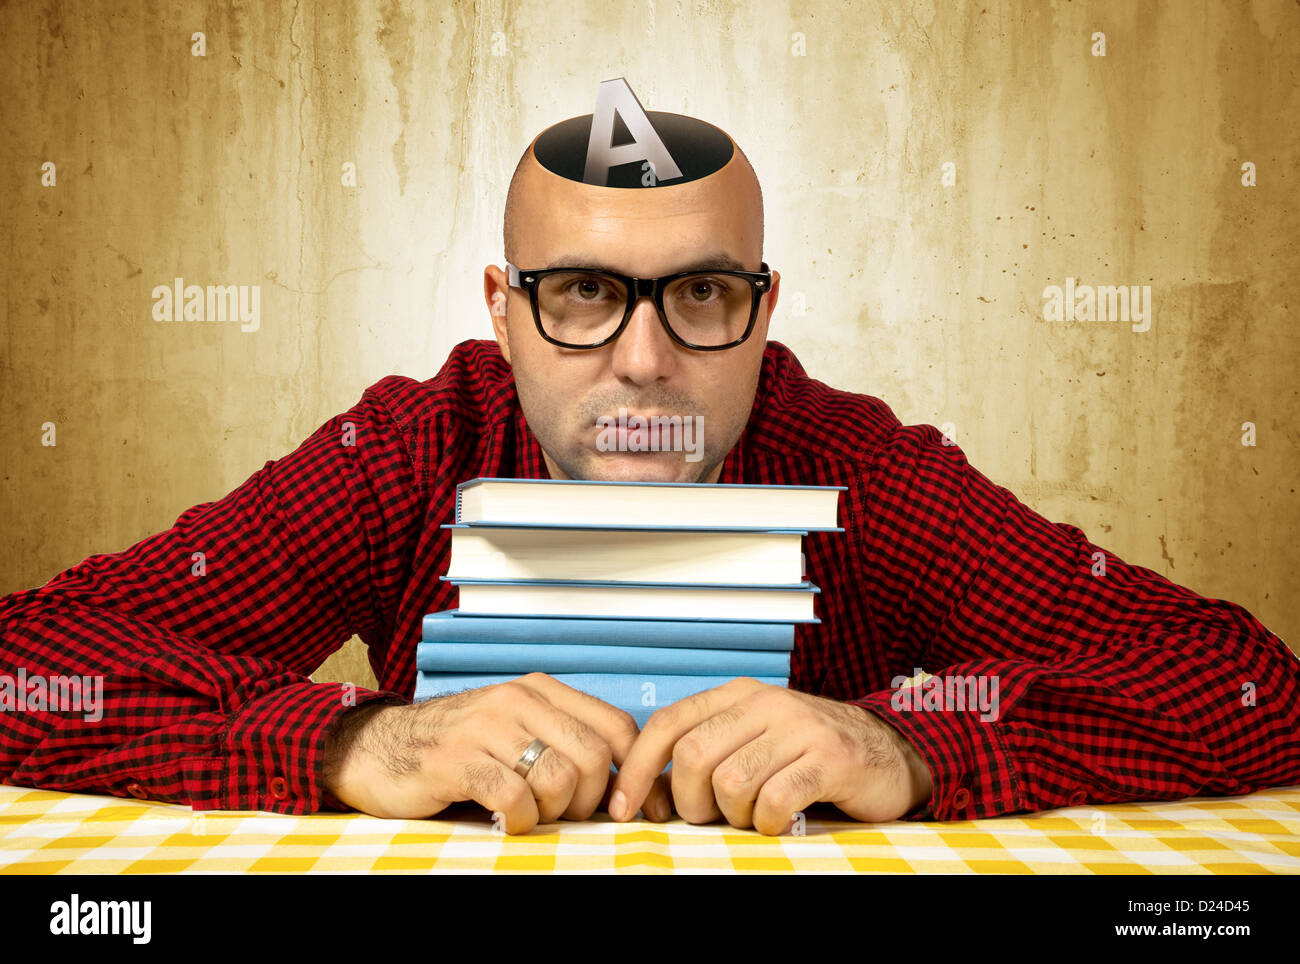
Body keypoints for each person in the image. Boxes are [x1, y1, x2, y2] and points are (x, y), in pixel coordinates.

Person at [3, 105, 1298, 838]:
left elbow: (1251, 689)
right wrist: (352, 739)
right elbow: (24, 669)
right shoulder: (403, 454)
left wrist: (903, 744)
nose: (643, 364)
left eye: (698, 294)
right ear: (504, 310)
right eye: (580, 295)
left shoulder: (861, 471)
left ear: (764, 304)